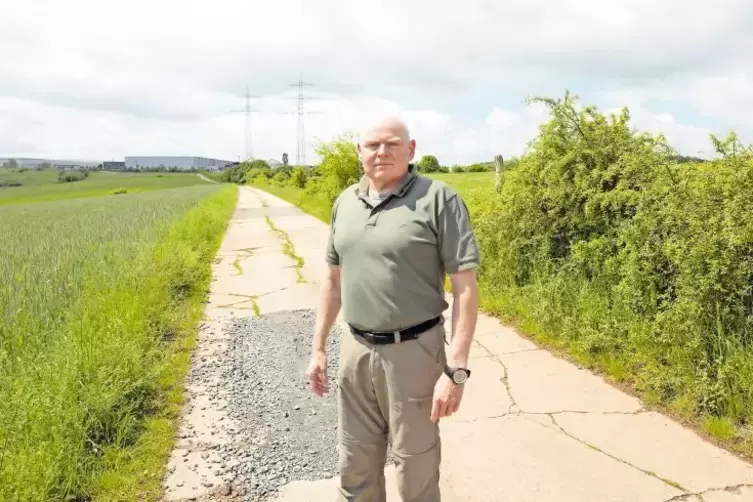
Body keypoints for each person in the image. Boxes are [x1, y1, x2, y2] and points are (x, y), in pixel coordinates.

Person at [305, 115, 480, 502]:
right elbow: (332, 281)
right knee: (354, 463)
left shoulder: (439, 200)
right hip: (355, 350)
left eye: (392, 144)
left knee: (415, 468)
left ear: (411, 149)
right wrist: (318, 348)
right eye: (372, 145)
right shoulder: (344, 202)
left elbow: (465, 288)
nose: (381, 152)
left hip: (414, 352)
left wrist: (457, 370)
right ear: (359, 152)